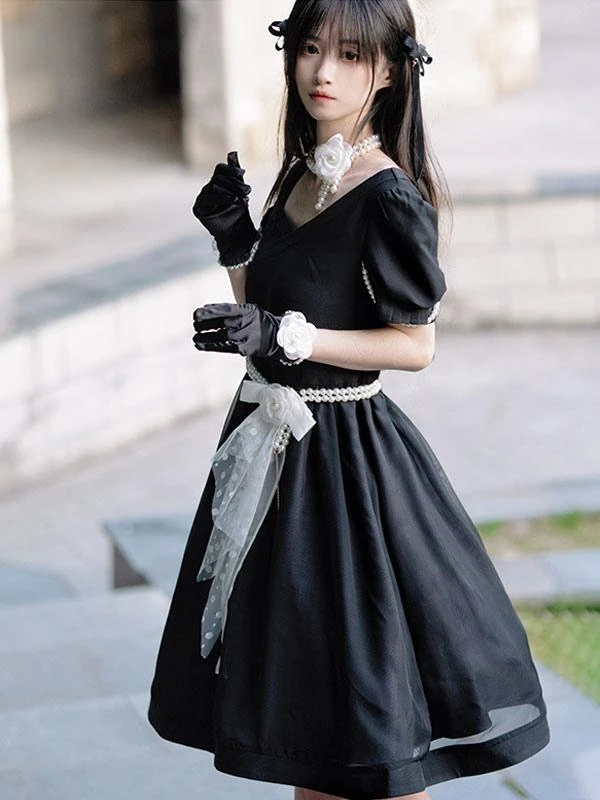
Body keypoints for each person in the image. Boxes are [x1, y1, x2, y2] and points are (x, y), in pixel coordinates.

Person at [147, 2, 551, 799]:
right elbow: (269, 310)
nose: (323, 71)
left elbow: (415, 345)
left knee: (373, 740)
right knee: (310, 736)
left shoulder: (390, 194)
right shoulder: (300, 173)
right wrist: (235, 244)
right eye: (309, 49)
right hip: (275, 465)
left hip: (344, 469)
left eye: (351, 56)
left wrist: (291, 337)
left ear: (392, 71)